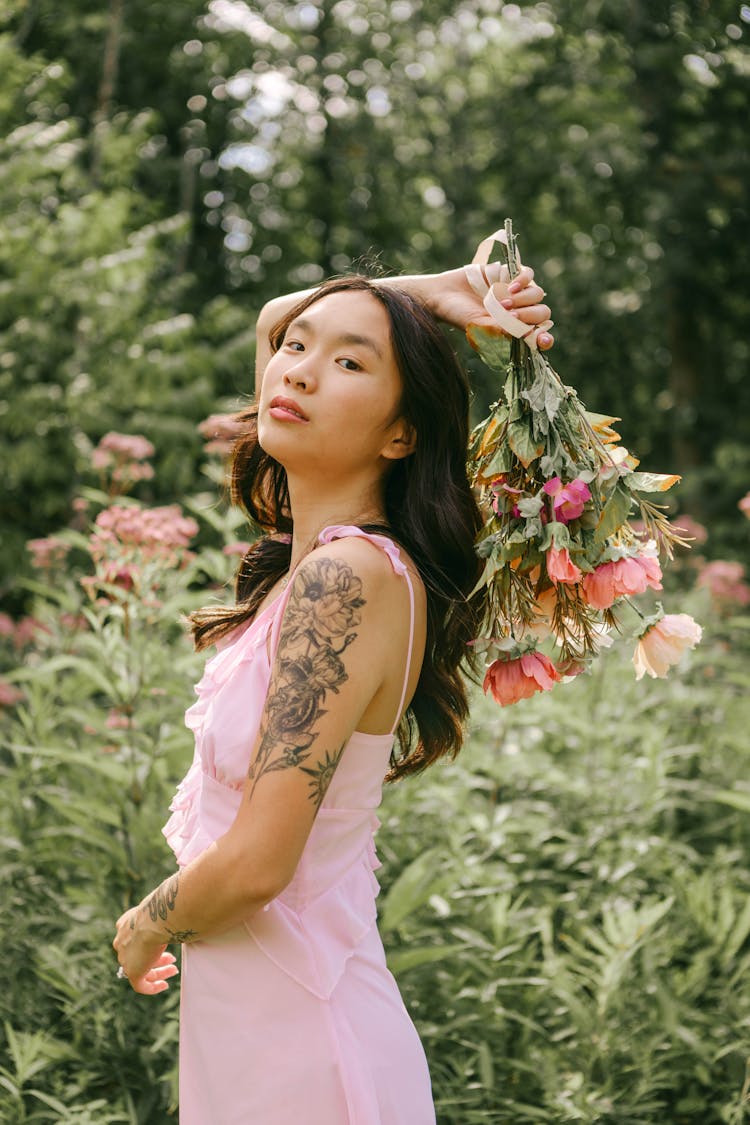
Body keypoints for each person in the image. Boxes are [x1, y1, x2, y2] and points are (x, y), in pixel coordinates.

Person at [113, 254, 553, 1123]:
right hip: (265, 1030)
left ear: (402, 433)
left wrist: (143, 923)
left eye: (350, 362)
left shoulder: (343, 579)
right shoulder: (319, 558)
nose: (299, 366)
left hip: (305, 1055)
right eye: (299, 350)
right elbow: (277, 315)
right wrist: (428, 296)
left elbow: (258, 862)